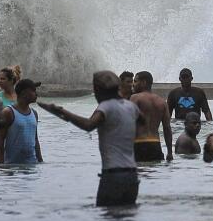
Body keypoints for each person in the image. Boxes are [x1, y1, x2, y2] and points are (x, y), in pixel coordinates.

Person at [39, 71, 145, 206]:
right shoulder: (131, 106)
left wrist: (62, 111)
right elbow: (143, 121)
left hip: (113, 175)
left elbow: (88, 125)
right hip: (132, 176)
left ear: (98, 90)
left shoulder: (106, 106)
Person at [0, 79, 44, 164]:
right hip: (12, 166)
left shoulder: (34, 113)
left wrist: (40, 161)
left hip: (32, 164)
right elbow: (0, 140)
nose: (36, 94)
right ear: (24, 93)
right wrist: (1, 165)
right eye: (33, 91)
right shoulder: (9, 112)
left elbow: (35, 140)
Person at [128, 71, 173, 162]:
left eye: (136, 81)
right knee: (153, 174)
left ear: (144, 82)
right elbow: (167, 129)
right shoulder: (162, 102)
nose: (133, 84)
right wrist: (170, 152)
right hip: (155, 145)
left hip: (139, 145)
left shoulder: (135, 98)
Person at [0, 65, 22, 156]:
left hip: (17, 137)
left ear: (11, 80)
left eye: (3, 79)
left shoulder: (21, 97)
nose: (0, 81)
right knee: (2, 166)